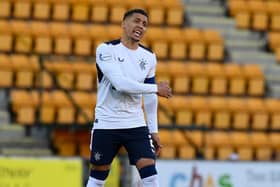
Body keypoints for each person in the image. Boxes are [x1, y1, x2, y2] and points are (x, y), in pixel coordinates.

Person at [86, 8, 172, 187]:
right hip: (107, 122)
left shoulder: (148, 57)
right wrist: (156, 88)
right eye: (137, 21)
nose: (141, 26)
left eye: (145, 24)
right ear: (123, 24)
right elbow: (121, 84)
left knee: (150, 175)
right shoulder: (106, 49)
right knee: (97, 179)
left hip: (135, 124)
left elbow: (149, 97)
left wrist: (153, 130)